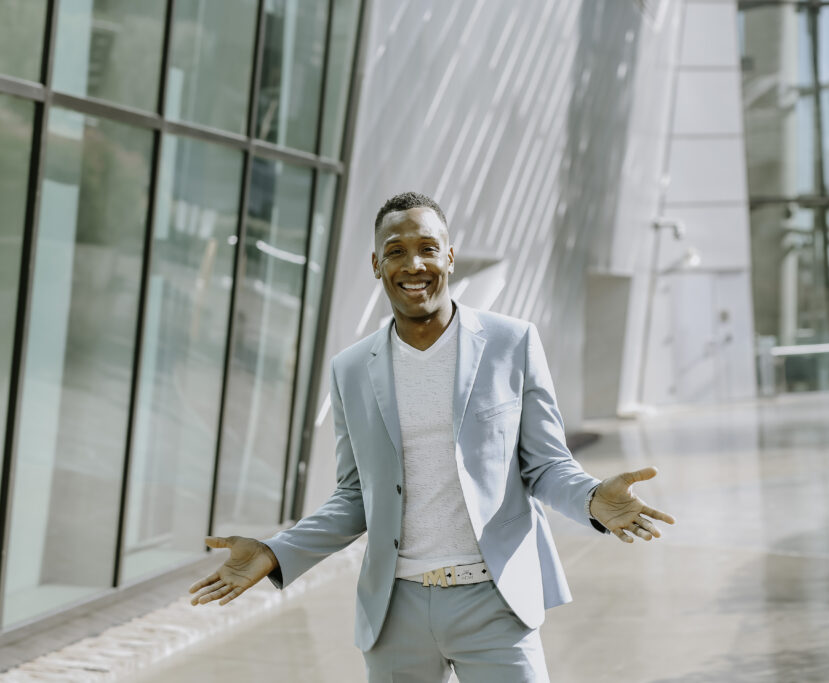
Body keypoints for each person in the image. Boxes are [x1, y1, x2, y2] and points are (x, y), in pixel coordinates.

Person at [189, 191, 675, 682]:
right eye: (396, 250)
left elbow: (545, 464)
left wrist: (592, 498)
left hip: (495, 602)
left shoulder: (513, 342)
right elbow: (356, 495)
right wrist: (278, 551)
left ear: (449, 256)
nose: (413, 263)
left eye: (427, 247)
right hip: (395, 611)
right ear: (377, 264)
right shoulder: (351, 370)